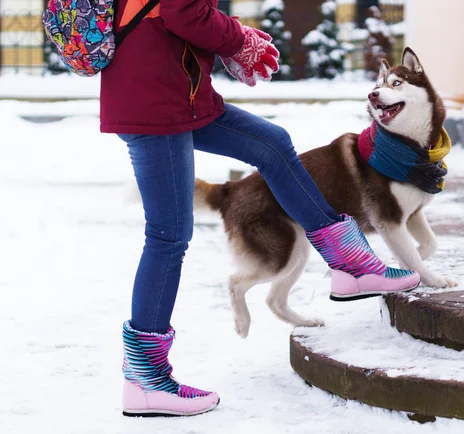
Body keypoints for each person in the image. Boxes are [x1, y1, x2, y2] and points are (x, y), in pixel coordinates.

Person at [101, 0, 420, 418]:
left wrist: (228, 43)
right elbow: (183, 11)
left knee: (271, 144)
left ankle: (350, 265)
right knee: (168, 236)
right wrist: (239, 41)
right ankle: (144, 378)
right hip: (154, 101)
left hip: (178, 94)